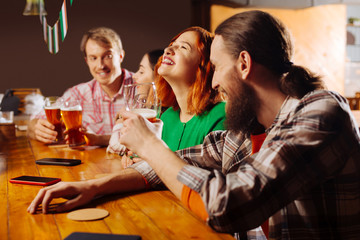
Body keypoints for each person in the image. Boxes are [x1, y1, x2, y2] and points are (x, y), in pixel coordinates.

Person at [28, 11, 360, 239]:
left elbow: (231, 207)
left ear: (244, 64)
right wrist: (94, 187)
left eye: (215, 67)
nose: (213, 82)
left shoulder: (320, 112)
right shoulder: (248, 128)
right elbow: (174, 163)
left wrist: (150, 145)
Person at [108, 27, 226, 168]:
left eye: (183, 47)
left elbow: (205, 179)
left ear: (204, 66)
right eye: (171, 46)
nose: (167, 50)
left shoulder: (221, 115)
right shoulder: (167, 118)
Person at [28, 27, 133, 146]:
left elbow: (155, 136)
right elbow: (33, 121)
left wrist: (99, 139)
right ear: (87, 61)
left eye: (107, 56)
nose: (100, 65)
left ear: (121, 56)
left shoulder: (142, 88)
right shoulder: (78, 93)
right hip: (93, 163)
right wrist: (36, 129)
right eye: (93, 58)